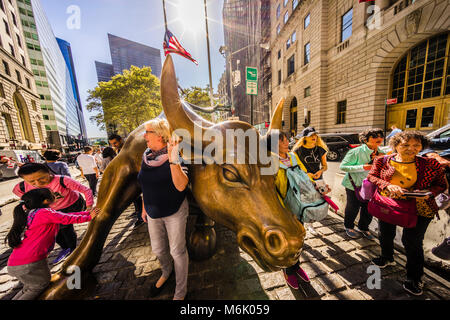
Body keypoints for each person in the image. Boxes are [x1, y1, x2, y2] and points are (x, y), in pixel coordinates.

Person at [367, 131, 446, 296]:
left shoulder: (431, 164)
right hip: (388, 205)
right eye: (405, 145)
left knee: (412, 242)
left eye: (416, 145)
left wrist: (428, 193)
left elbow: (441, 185)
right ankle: (387, 257)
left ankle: (414, 277)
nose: (411, 149)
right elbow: (372, 177)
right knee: (385, 233)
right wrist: (387, 186)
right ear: (395, 146)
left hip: (420, 209)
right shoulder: (382, 160)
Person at [5, 188, 99, 300]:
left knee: (29, 288)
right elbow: (66, 218)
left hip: (17, 262)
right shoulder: (44, 212)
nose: (55, 194)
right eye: (52, 194)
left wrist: (86, 213)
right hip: (30, 262)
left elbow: (64, 215)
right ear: (45, 200)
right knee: (38, 286)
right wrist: (89, 217)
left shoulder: (33, 213)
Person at [138, 118, 189, 300]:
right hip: (152, 211)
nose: (144, 135)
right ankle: (166, 272)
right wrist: (144, 207)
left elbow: (181, 186)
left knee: (177, 251)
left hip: (174, 210)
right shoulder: (146, 156)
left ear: (160, 135)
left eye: (148, 132)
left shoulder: (177, 155)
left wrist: (174, 160)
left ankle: (180, 291)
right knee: (159, 249)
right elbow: (145, 184)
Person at [12, 163, 94, 264]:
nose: (37, 183)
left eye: (41, 178)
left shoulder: (63, 180)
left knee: (66, 227)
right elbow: (25, 199)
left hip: (70, 206)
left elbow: (86, 190)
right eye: (31, 181)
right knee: (54, 229)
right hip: (49, 211)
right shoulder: (21, 187)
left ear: (49, 172)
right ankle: (65, 248)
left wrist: (89, 206)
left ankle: (73, 249)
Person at [273, 131, 311, 290]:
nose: (286, 143)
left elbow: (304, 175)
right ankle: (288, 270)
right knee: (286, 240)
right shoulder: (269, 161)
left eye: (286, 140)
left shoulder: (294, 157)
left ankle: (296, 265)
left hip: (298, 204)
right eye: (282, 141)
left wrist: (315, 187)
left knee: (299, 236)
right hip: (281, 207)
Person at [340, 128, 385, 240]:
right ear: (365, 140)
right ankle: (349, 226)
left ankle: (363, 228)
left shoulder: (382, 153)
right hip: (354, 185)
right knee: (353, 207)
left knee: (368, 209)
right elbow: (343, 167)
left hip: (372, 186)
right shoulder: (355, 152)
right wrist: (363, 167)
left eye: (380, 136)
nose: (379, 138)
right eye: (374, 136)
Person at [293, 127, 329, 234]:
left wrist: (320, 171)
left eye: (315, 135)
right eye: (311, 135)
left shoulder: (320, 149)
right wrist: (306, 174)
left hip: (318, 178)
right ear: (305, 138)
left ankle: (312, 219)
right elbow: (295, 167)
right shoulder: (297, 151)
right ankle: (309, 224)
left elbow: (325, 166)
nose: (314, 137)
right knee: (307, 200)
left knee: (318, 198)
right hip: (304, 179)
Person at [109, 134, 144, 228]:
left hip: (137, 175)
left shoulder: (130, 146)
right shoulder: (119, 150)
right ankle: (138, 212)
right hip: (130, 177)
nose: (114, 145)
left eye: (115, 143)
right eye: (112, 144)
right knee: (135, 198)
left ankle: (141, 216)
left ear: (120, 140)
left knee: (138, 196)